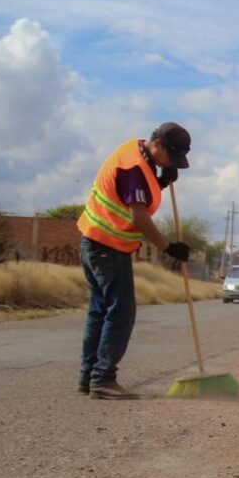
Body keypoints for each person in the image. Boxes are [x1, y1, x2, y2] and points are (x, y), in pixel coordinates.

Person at [77, 122, 193, 399]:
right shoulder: (134, 168)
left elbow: (132, 194)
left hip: (93, 242)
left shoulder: (135, 151)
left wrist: (161, 181)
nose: (170, 163)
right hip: (108, 248)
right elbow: (138, 216)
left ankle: (88, 377)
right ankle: (103, 379)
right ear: (158, 145)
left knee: (100, 312)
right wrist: (168, 247)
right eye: (170, 157)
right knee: (120, 313)